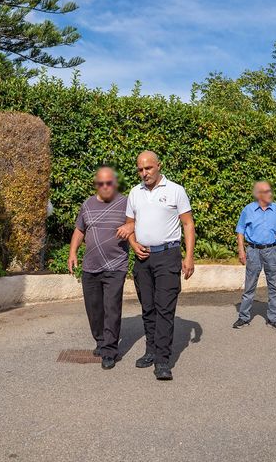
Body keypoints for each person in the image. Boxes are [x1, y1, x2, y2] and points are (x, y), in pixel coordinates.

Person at [121, 151, 196, 381]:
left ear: (159, 166)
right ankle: (151, 350)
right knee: (148, 308)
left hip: (168, 256)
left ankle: (163, 360)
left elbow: (188, 224)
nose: (144, 173)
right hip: (143, 259)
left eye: (148, 168)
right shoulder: (135, 193)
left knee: (165, 308)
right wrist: (133, 245)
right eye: (140, 170)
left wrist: (189, 257)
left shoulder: (176, 190)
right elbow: (129, 225)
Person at [68, 167, 130, 370]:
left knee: (111, 308)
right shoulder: (87, 204)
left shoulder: (125, 203)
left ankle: (110, 350)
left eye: (109, 183)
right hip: (90, 266)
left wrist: (131, 227)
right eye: (101, 183)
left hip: (116, 265)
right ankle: (101, 340)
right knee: (94, 308)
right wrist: (72, 253)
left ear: (115, 183)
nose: (105, 187)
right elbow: (79, 230)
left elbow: (138, 223)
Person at [233, 181, 276, 330]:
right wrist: (241, 250)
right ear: (259, 194)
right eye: (267, 191)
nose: (270, 194)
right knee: (249, 286)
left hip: (272, 250)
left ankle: (273, 318)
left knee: (275, 286)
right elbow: (240, 230)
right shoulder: (248, 210)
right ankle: (243, 317)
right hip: (253, 251)